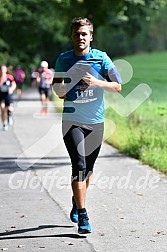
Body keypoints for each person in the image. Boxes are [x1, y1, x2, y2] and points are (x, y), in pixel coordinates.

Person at [53, 17, 122, 234]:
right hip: (72, 122)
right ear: (71, 36)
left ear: (91, 36)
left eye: (84, 34)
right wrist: (65, 85)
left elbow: (118, 86)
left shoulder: (101, 59)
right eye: (77, 34)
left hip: (95, 123)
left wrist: (97, 83)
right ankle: (83, 214)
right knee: (79, 166)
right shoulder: (63, 59)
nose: (80, 37)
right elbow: (58, 91)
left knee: (88, 169)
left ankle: (76, 201)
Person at [0, 65, 16, 130]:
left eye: (4, 69)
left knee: (10, 109)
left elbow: (14, 84)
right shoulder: (0, 78)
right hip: (1, 96)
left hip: (8, 96)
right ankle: (4, 124)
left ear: (6, 70)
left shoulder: (10, 77)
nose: (3, 70)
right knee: (2, 109)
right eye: (1, 69)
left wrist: (11, 89)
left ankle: (9, 116)